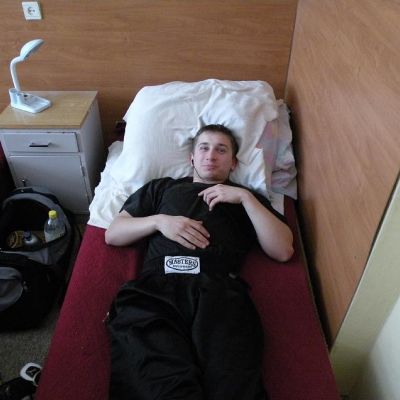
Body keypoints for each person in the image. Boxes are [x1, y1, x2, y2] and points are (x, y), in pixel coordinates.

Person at [105, 124, 294, 400]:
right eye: (204, 148)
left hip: (219, 291)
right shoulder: (162, 188)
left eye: (221, 150)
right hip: (157, 289)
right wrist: (160, 222)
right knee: (154, 382)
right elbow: (113, 234)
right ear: (192, 158)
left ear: (233, 163)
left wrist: (245, 198)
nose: (211, 155)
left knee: (231, 385)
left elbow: (283, 250)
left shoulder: (246, 198)